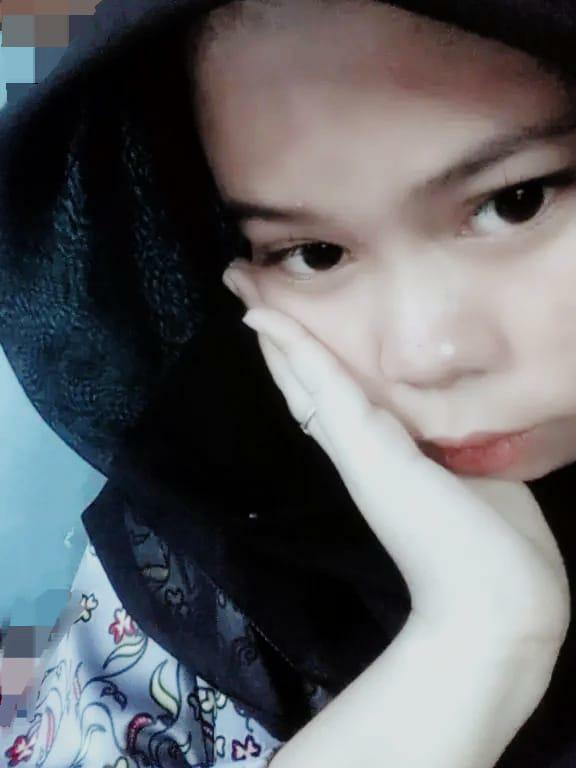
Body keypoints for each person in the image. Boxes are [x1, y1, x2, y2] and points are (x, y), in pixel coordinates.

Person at [0, 0, 575, 766]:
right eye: (313, 254)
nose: (425, 355)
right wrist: (473, 642)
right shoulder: (200, 559)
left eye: (515, 203)